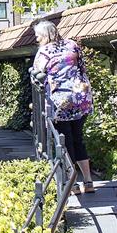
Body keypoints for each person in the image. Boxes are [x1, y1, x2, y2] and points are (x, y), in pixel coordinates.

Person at [32, 20, 95, 194]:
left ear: (45, 36)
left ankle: (73, 184)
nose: (37, 40)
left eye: (38, 36)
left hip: (60, 102)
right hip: (81, 97)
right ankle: (88, 182)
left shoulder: (44, 52)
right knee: (78, 138)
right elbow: (82, 67)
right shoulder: (72, 45)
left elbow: (36, 75)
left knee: (64, 141)